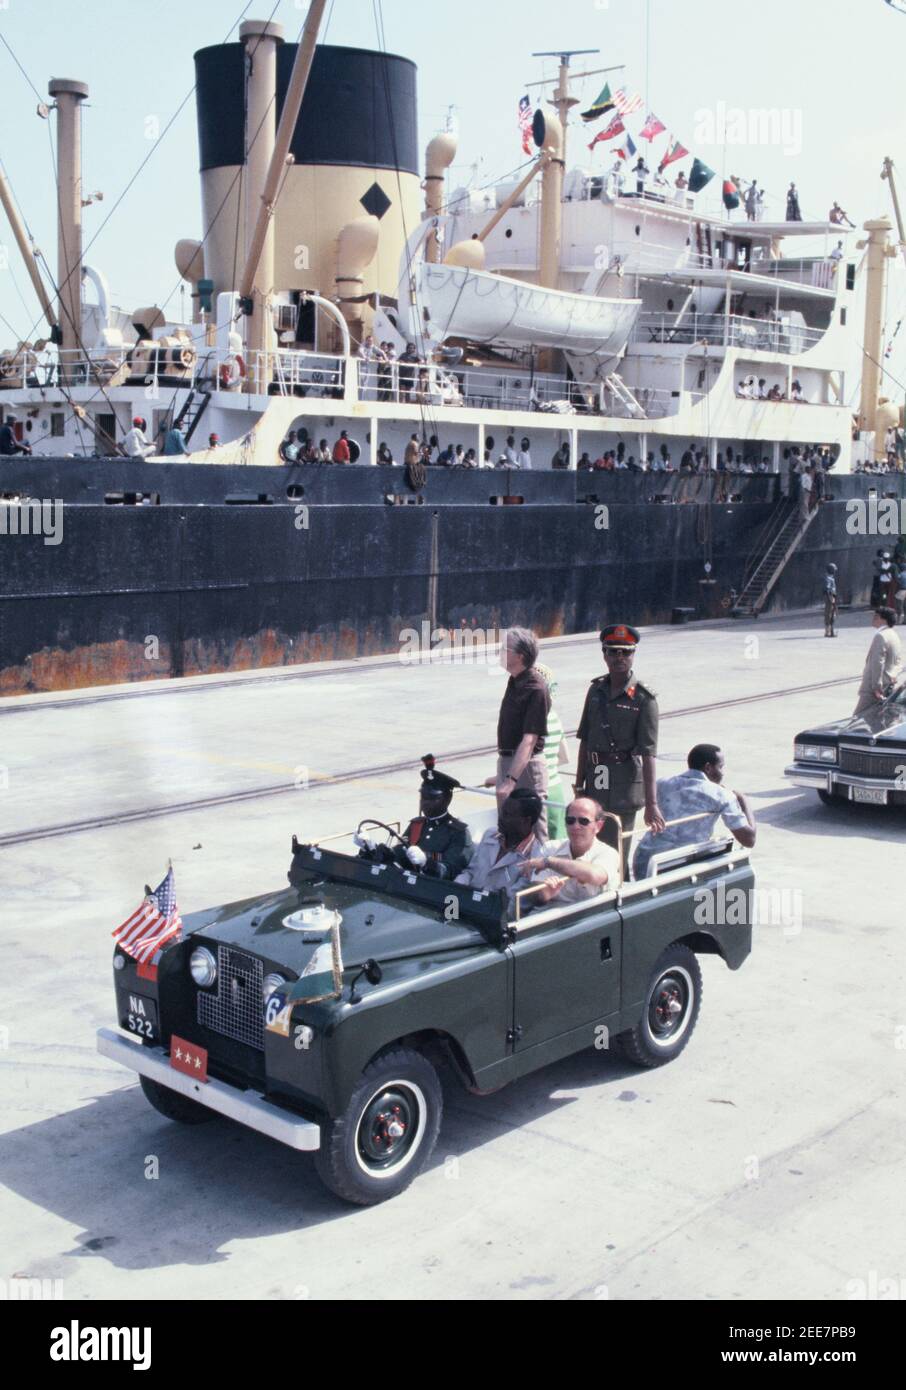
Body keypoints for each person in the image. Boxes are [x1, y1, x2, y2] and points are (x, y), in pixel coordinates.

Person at [575, 623, 664, 873]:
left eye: (626, 652)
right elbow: (585, 739)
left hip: (624, 783)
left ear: (633, 655)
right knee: (590, 845)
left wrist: (652, 803)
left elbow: (648, 753)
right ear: (604, 655)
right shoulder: (596, 690)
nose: (619, 658)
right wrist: (580, 785)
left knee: (616, 850)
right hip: (597, 778)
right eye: (613, 652)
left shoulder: (644, 699)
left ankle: (620, 896)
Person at [632, 744, 756, 880]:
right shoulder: (721, 795)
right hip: (683, 866)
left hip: (644, 862)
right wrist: (744, 801)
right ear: (708, 767)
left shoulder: (662, 783)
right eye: (720, 767)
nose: (723, 773)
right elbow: (748, 839)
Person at [356, 755, 474, 880]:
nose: (425, 802)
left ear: (447, 799)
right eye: (423, 797)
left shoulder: (459, 833)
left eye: (432, 798)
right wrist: (370, 848)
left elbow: (451, 871)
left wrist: (426, 863)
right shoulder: (417, 825)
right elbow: (398, 855)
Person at [491, 627, 550, 838]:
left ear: (520, 656)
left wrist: (510, 781)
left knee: (534, 831)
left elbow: (529, 740)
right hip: (510, 763)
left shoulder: (536, 688)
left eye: (504, 648)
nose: (500, 652)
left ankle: (539, 870)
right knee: (508, 829)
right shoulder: (515, 681)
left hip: (526, 768)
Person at [455, 788, 547, 909]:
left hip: (492, 916)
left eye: (507, 815)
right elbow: (470, 873)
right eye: (501, 812)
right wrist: (455, 889)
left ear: (526, 821)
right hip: (463, 904)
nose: (500, 817)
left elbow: (513, 904)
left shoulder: (534, 857)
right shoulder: (489, 835)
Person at [523, 796, 621, 906]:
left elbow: (595, 875)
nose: (575, 826)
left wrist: (549, 862)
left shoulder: (608, 853)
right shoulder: (550, 848)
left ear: (598, 826)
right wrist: (544, 894)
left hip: (594, 916)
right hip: (550, 915)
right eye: (570, 820)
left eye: (583, 821)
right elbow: (533, 895)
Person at [534, 662, 569, 840]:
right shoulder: (554, 717)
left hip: (536, 790)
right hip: (555, 788)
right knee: (559, 841)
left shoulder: (529, 722)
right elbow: (564, 756)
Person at [853, 608, 903, 716]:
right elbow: (899, 662)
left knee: (857, 719)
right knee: (877, 719)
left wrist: (876, 687)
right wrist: (892, 676)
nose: (873, 619)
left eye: (876, 617)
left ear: (882, 619)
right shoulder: (894, 635)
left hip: (873, 689)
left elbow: (878, 662)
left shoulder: (881, 636)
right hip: (888, 685)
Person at [823, 563, 838, 638]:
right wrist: (831, 598)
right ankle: (828, 631)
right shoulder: (828, 578)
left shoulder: (830, 578)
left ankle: (830, 631)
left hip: (832, 596)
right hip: (830, 596)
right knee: (829, 614)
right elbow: (827, 589)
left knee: (832, 614)